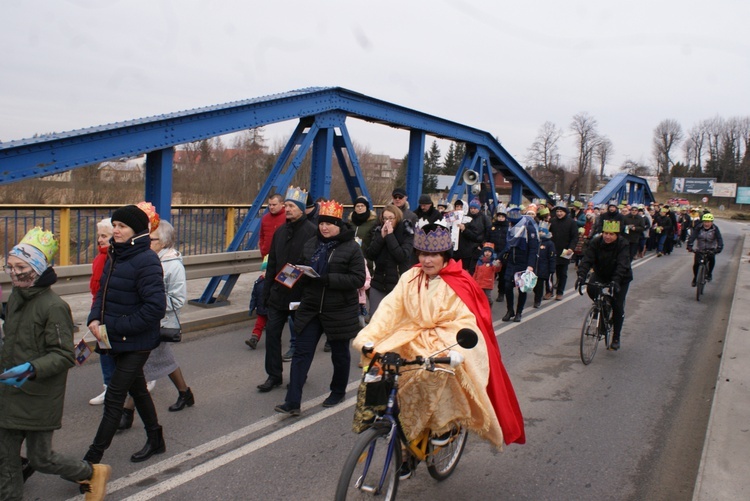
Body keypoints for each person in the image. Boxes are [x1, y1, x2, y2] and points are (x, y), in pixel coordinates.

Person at [352, 223, 525, 478]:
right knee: (381, 371)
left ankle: (444, 428)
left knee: (434, 371)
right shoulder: (409, 277)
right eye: (422, 254)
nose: (427, 260)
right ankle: (394, 437)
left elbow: (465, 322)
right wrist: (369, 336)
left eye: (433, 255)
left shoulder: (460, 281)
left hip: (447, 339)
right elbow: (390, 310)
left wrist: (445, 349)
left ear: (445, 255)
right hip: (411, 335)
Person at [0, 228, 111, 500]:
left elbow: (63, 355)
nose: (14, 273)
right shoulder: (14, 298)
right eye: (10, 267)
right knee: (5, 458)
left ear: (37, 269)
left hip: (39, 395)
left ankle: (91, 471)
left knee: (41, 458)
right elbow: (13, 341)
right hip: (10, 391)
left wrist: (31, 369)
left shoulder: (54, 307)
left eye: (21, 267)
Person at [85, 204, 167, 465]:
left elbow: (155, 308)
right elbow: (102, 293)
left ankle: (91, 460)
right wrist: (95, 317)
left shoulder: (147, 260)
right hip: (115, 339)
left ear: (136, 231)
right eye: (115, 226)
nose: (115, 230)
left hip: (137, 341)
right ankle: (156, 439)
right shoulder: (114, 255)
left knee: (114, 398)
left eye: (121, 226)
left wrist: (115, 326)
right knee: (139, 391)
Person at [274, 201, 366, 415]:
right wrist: (288, 279)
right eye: (322, 223)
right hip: (312, 307)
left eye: (330, 224)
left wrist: (328, 279)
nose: (324, 228)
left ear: (339, 225)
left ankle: (337, 390)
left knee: (340, 355)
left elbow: (358, 278)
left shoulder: (351, 247)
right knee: (301, 353)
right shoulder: (311, 244)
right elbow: (299, 266)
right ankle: (292, 402)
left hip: (339, 310)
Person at [119, 220, 194, 431]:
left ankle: (127, 411)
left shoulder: (173, 265)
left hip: (159, 322)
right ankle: (185, 392)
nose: (146, 242)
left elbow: (178, 300)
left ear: (163, 242)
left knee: (140, 367)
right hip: (145, 320)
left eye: (151, 239)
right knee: (165, 360)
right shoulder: (146, 260)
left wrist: (151, 304)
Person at [258, 187, 316, 392]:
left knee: (300, 338)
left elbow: (307, 262)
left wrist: (285, 280)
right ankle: (273, 375)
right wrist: (267, 292)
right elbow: (272, 261)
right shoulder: (281, 231)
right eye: (287, 206)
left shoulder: (311, 232)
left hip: (299, 295)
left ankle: (299, 375)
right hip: (278, 294)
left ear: (301, 209)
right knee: (272, 335)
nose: (288, 209)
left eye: (292, 206)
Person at [576, 220, 633, 351]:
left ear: (617, 235)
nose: (608, 236)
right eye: (606, 233)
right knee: (591, 288)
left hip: (621, 276)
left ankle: (616, 337)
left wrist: (615, 281)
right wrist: (581, 275)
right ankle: (603, 309)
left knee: (617, 305)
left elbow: (622, 264)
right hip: (601, 272)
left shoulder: (623, 244)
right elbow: (587, 259)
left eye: (611, 234)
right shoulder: (596, 242)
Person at [246, 193, 286, 349]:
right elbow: (262, 236)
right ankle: (256, 335)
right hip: (268, 261)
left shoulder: (286, 219)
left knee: (279, 301)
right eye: (269, 205)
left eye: (274, 204)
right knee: (265, 295)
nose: (271, 207)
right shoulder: (266, 218)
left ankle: (278, 336)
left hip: (283, 264)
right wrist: (263, 250)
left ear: (282, 204)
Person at [366, 205, 415, 316]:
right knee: (375, 317)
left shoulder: (406, 232)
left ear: (397, 217)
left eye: (391, 218)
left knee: (394, 319)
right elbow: (370, 254)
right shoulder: (379, 230)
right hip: (378, 283)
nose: (387, 221)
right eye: (385, 218)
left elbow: (402, 256)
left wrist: (390, 236)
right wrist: (381, 238)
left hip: (397, 284)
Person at [88, 218, 116, 406]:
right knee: (105, 350)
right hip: (99, 310)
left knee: (109, 352)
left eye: (104, 236)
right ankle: (109, 386)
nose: (100, 239)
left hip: (109, 312)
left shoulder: (112, 258)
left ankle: (112, 387)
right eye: (99, 236)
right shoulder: (100, 256)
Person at [500, 212, 539, 322]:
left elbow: (533, 249)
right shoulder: (510, 229)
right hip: (511, 262)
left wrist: (531, 265)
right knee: (507, 286)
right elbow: (507, 247)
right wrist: (499, 258)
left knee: (522, 289)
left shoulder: (528, 229)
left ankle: (519, 312)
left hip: (524, 263)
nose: (510, 224)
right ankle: (510, 310)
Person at [548, 204, 578, 300]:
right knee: (549, 272)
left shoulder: (571, 223)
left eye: (561, 212)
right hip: (552, 250)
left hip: (565, 250)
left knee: (562, 273)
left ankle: (560, 292)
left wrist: (571, 248)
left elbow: (574, 237)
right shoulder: (552, 221)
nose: (559, 213)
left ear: (565, 212)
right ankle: (549, 291)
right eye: (557, 212)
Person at [456, 198, 491, 275]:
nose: (473, 210)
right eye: (471, 208)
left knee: (474, 270)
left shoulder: (484, 218)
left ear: (478, 208)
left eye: (475, 208)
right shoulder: (467, 217)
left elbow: (488, 232)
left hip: (478, 246)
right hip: (467, 246)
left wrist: (483, 244)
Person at [687, 213, 724, 286]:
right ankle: (695, 278)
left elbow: (719, 239)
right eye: (705, 222)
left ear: (712, 222)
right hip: (700, 248)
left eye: (708, 222)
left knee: (712, 259)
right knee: (696, 264)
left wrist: (719, 247)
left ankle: (709, 273)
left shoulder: (715, 229)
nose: (706, 224)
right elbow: (693, 236)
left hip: (711, 248)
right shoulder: (699, 227)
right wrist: (690, 245)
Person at [348, 195, 378, 267]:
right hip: (351, 257)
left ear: (366, 207)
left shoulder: (373, 222)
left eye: (362, 205)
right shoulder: (350, 222)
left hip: (366, 258)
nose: (360, 208)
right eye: (357, 206)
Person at [489, 207, 510, 303]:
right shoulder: (493, 227)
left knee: (502, 276)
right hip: (493, 254)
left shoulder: (508, 228)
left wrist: (500, 256)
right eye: (499, 216)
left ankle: (501, 293)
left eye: (502, 217)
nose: (500, 218)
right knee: (490, 274)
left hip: (503, 255)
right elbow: (488, 239)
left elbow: (508, 243)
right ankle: (487, 293)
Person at [533, 227, 556, 308]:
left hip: (544, 267)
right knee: (534, 286)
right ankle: (537, 295)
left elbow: (552, 257)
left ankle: (537, 300)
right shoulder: (536, 242)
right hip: (535, 267)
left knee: (539, 285)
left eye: (542, 232)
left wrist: (552, 268)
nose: (540, 233)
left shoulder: (549, 244)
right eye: (539, 231)